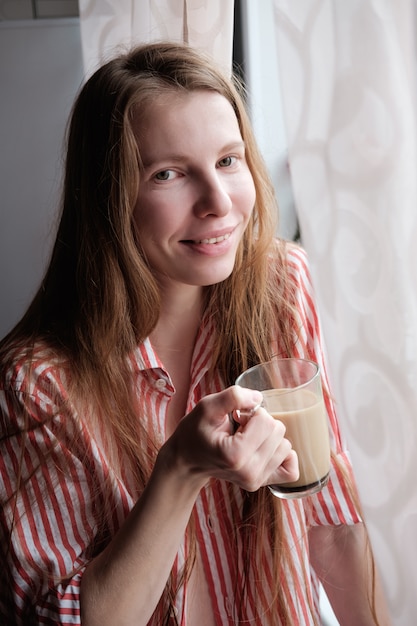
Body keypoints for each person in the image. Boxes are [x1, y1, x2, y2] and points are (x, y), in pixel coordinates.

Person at [0, 41, 390, 626]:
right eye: (169, 173)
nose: (218, 203)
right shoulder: (38, 384)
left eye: (228, 161)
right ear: (109, 199)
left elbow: (330, 521)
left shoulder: (283, 288)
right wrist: (178, 468)